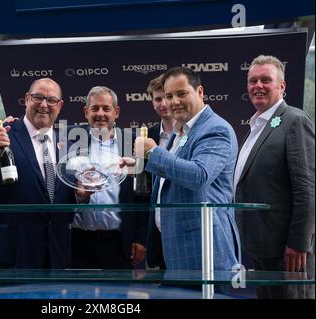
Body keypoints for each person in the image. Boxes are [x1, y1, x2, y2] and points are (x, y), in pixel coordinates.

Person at [128, 66, 240, 271]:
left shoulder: (216, 128)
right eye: (169, 96)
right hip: (173, 245)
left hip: (203, 247)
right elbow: (173, 175)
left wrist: (153, 152)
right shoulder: (182, 130)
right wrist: (137, 164)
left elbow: (199, 175)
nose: (173, 102)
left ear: (200, 92)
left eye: (181, 94)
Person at [0, 78, 80, 269]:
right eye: (38, 97)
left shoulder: (68, 145)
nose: (44, 104)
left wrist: (80, 195)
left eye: (51, 100)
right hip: (8, 261)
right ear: (26, 99)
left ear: (60, 105)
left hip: (55, 261)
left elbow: (64, 199)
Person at [234, 55, 315, 299]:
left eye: (265, 80)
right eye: (252, 81)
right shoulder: (257, 126)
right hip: (261, 249)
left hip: (288, 253)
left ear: (282, 86)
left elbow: (308, 189)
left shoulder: (295, 121)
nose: (257, 86)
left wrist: (299, 243)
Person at [70, 86, 147, 269]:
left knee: (118, 296)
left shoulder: (134, 143)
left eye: (106, 108)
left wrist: (141, 238)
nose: (100, 114)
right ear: (86, 111)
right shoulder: (69, 140)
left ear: (116, 112)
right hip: (78, 241)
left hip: (120, 242)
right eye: (95, 108)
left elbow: (144, 195)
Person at [145, 74, 175, 269]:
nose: (163, 103)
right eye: (157, 99)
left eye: (167, 96)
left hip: (182, 221)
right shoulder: (146, 136)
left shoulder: (192, 134)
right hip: (156, 228)